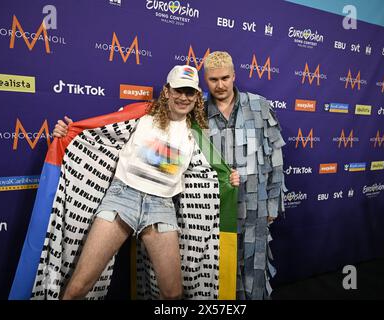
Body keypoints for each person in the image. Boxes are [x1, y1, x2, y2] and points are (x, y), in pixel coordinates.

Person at [58, 65, 240, 299]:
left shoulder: (196, 134)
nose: (184, 97)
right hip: (122, 198)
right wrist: (67, 132)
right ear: (167, 91)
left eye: (190, 92)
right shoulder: (140, 116)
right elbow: (97, 133)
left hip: (161, 207)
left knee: (173, 294)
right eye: (178, 91)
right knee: (79, 286)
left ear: (197, 97)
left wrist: (229, 178)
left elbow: (212, 174)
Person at [202, 51, 286, 300]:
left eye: (225, 78)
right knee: (220, 272)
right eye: (213, 80)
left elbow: (276, 159)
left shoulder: (260, 106)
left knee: (254, 271)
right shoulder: (196, 114)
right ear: (205, 80)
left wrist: (273, 202)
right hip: (216, 209)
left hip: (255, 206)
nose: (220, 85)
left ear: (234, 75)